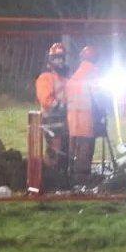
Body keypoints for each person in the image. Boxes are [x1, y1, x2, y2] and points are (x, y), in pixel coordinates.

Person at [35, 42, 70, 188]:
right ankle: (50, 181)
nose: (60, 61)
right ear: (50, 59)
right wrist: (60, 106)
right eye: (56, 58)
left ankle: (61, 181)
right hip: (51, 121)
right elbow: (45, 98)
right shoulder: (45, 77)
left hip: (64, 121)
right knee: (55, 153)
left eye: (62, 57)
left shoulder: (64, 77)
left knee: (64, 153)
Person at [66, 45, 102, 186]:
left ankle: (71, 176)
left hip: (73, 121)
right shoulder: (94, 72)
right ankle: (82, 180)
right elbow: (98, 95)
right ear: (95, 59)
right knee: (85, 151)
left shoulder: (76, 74)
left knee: (74, 149)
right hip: (86, 120)